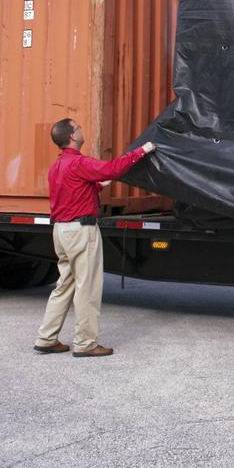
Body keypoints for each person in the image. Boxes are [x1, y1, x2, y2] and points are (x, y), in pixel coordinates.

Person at [34, 118, 156, 358]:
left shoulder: (57, 166)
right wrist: (142, 150)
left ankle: (46, 338)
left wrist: (98, 186)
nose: (82, 129)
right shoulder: (79, 163)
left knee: (64, 286)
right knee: (87, 288)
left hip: (60, 230)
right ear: (71, 136)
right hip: (81, 231)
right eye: (78, 127)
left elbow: (74, 191)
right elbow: (113, 168)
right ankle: (86, 343)